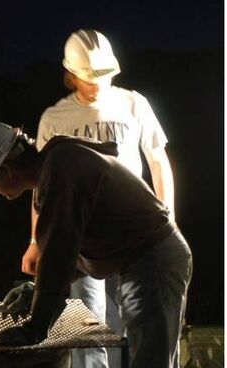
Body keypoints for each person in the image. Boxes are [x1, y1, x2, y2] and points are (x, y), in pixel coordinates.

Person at [0, 121, 191, 368]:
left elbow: (59, 254)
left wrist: (36, 327)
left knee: (152, 360)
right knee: (153, 356)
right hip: (148, 259)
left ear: (6, 170)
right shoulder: (56, 168)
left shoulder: (60, 173)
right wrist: (38, 291)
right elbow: (71, 252)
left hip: (153, 260)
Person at [22, 29, 176, 368]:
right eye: (88, 78)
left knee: (141, 319)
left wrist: (168, 217)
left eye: (103, 77)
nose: (96, 84)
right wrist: (36, 241)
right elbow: (41, 187)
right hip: (81, 237)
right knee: (86, 325)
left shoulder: (133, 104)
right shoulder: (55, 119)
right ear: (70, 75)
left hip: (134, 233)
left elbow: (158, 161)